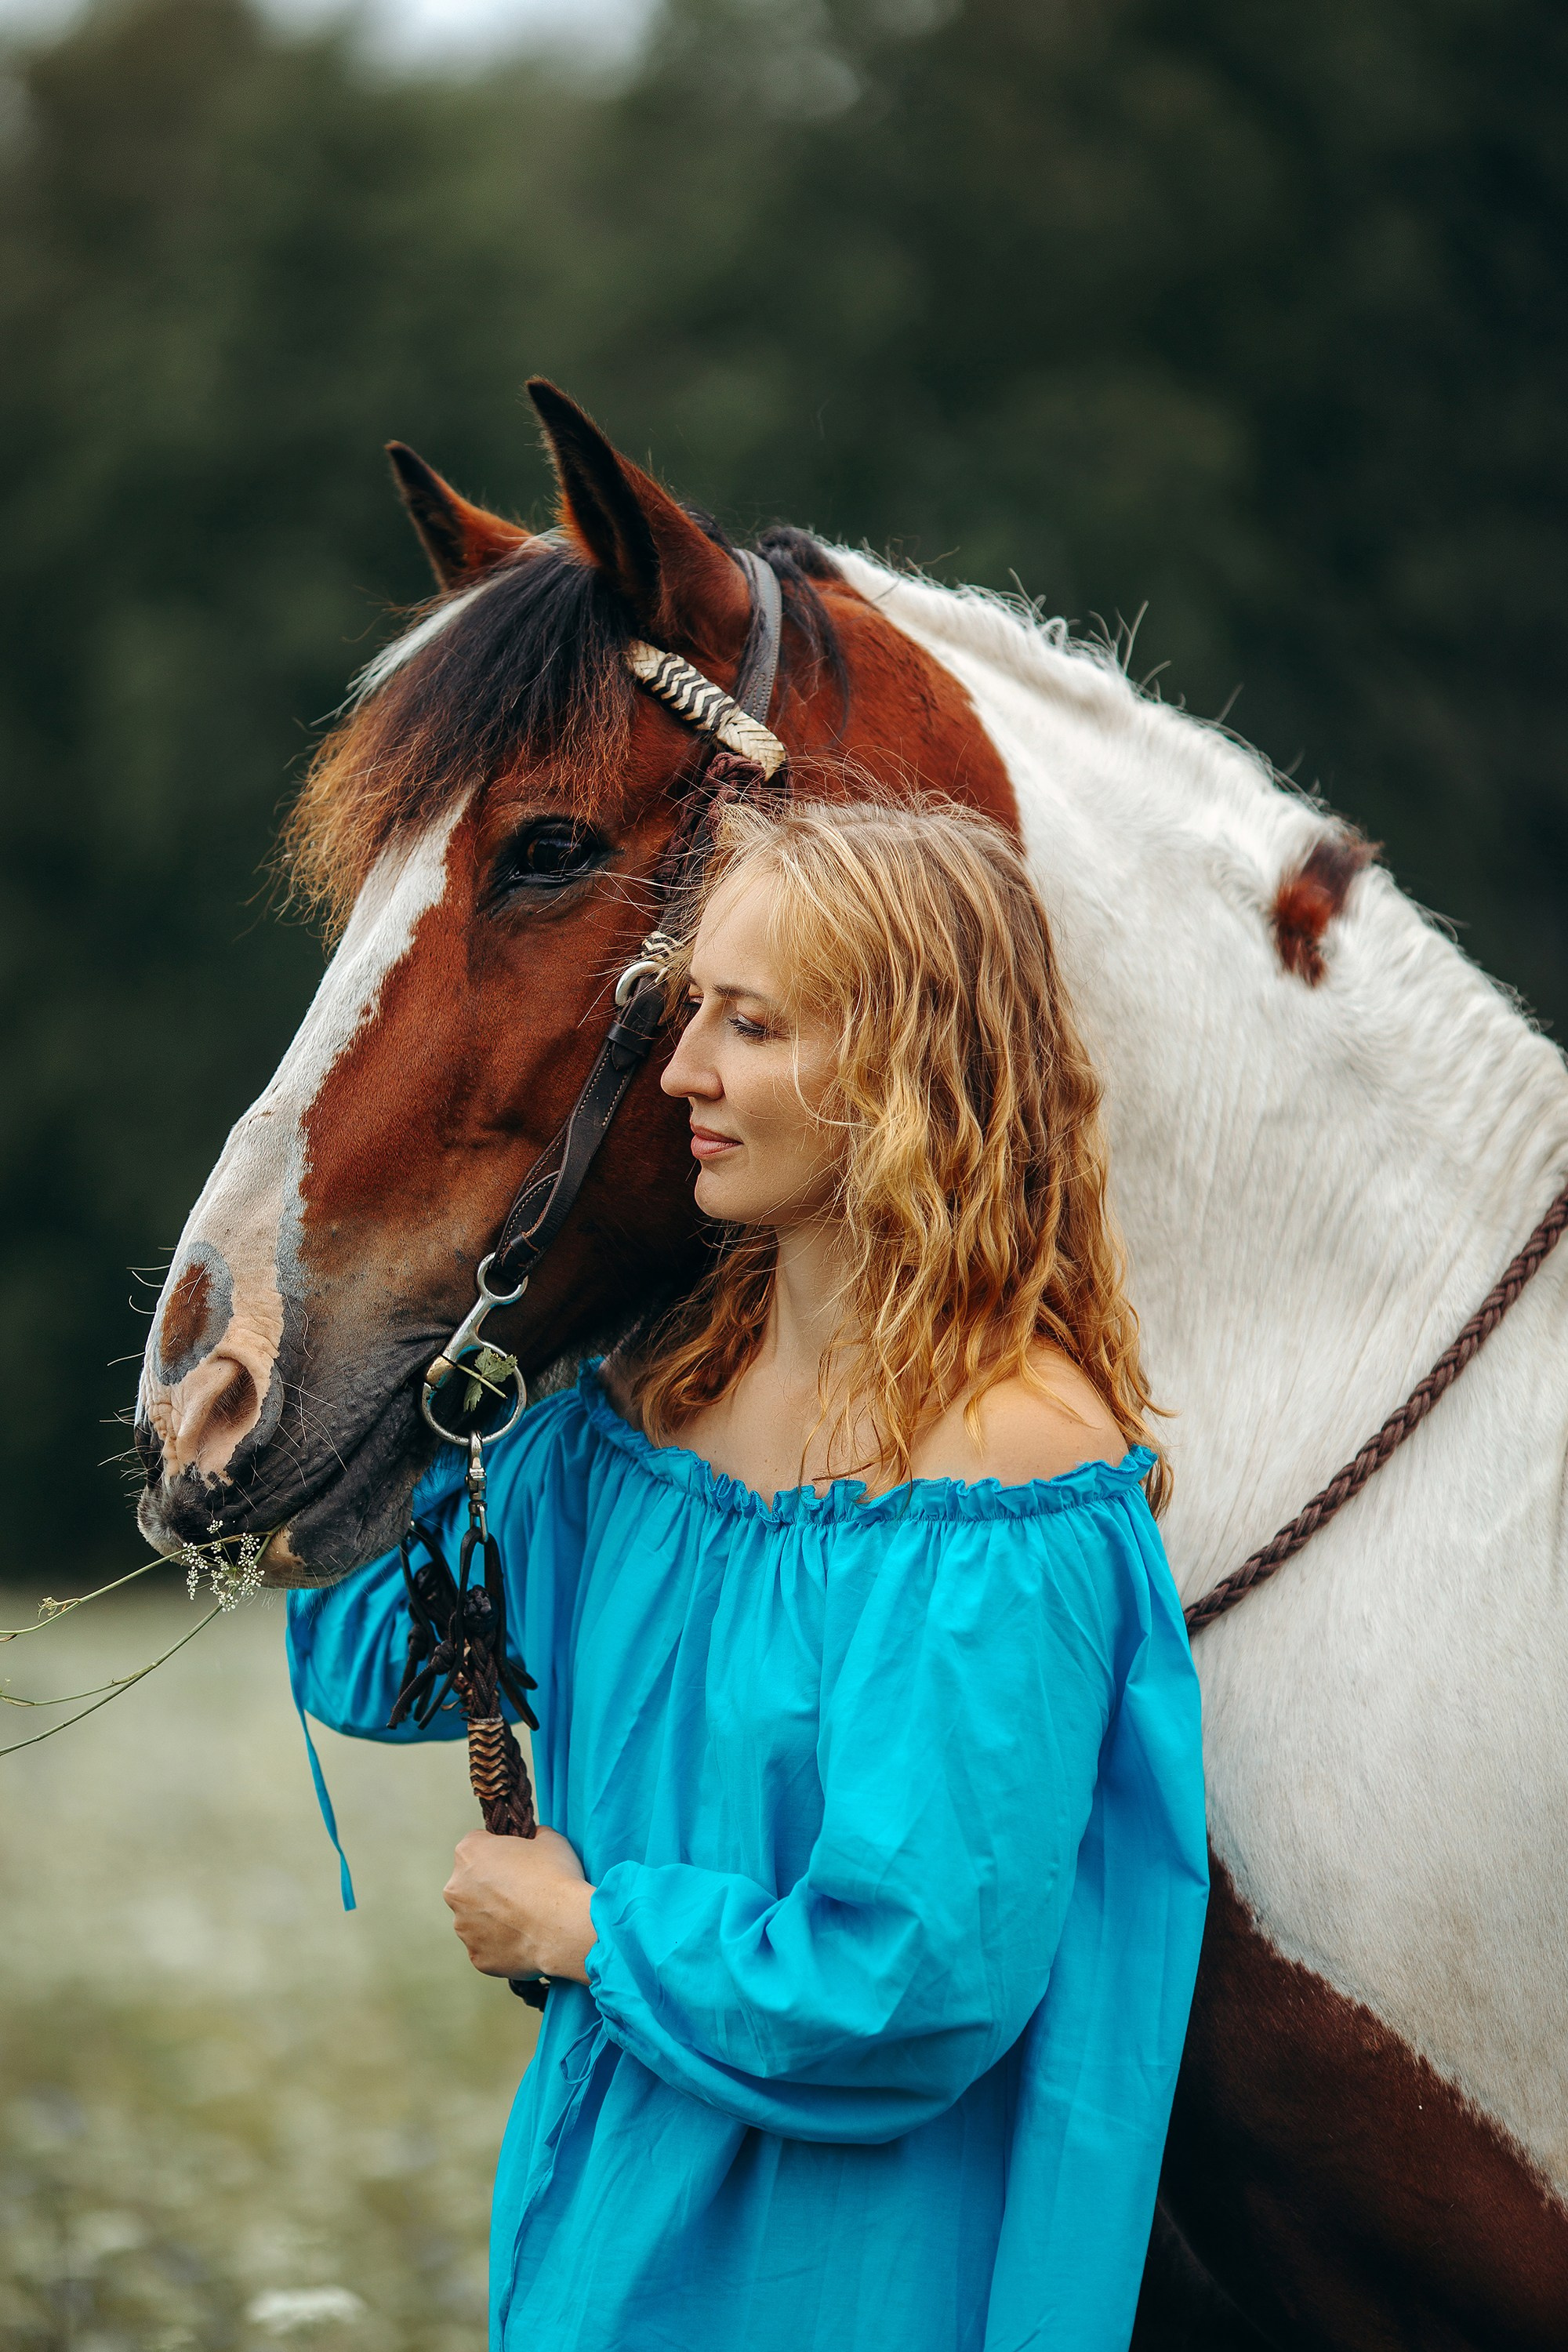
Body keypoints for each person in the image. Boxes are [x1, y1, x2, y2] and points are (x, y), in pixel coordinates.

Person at [287, 798, 1208, 2352]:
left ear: (910, 1069)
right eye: (691, 1008)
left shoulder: (1003, 1482)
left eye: (752, 1024)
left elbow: (914, 1983)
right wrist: (391, 1344)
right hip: (599, 2230)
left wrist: (587, 1934)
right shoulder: (647, 1414)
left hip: (848, 2272)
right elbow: (376, 1655)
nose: (685, 1072)